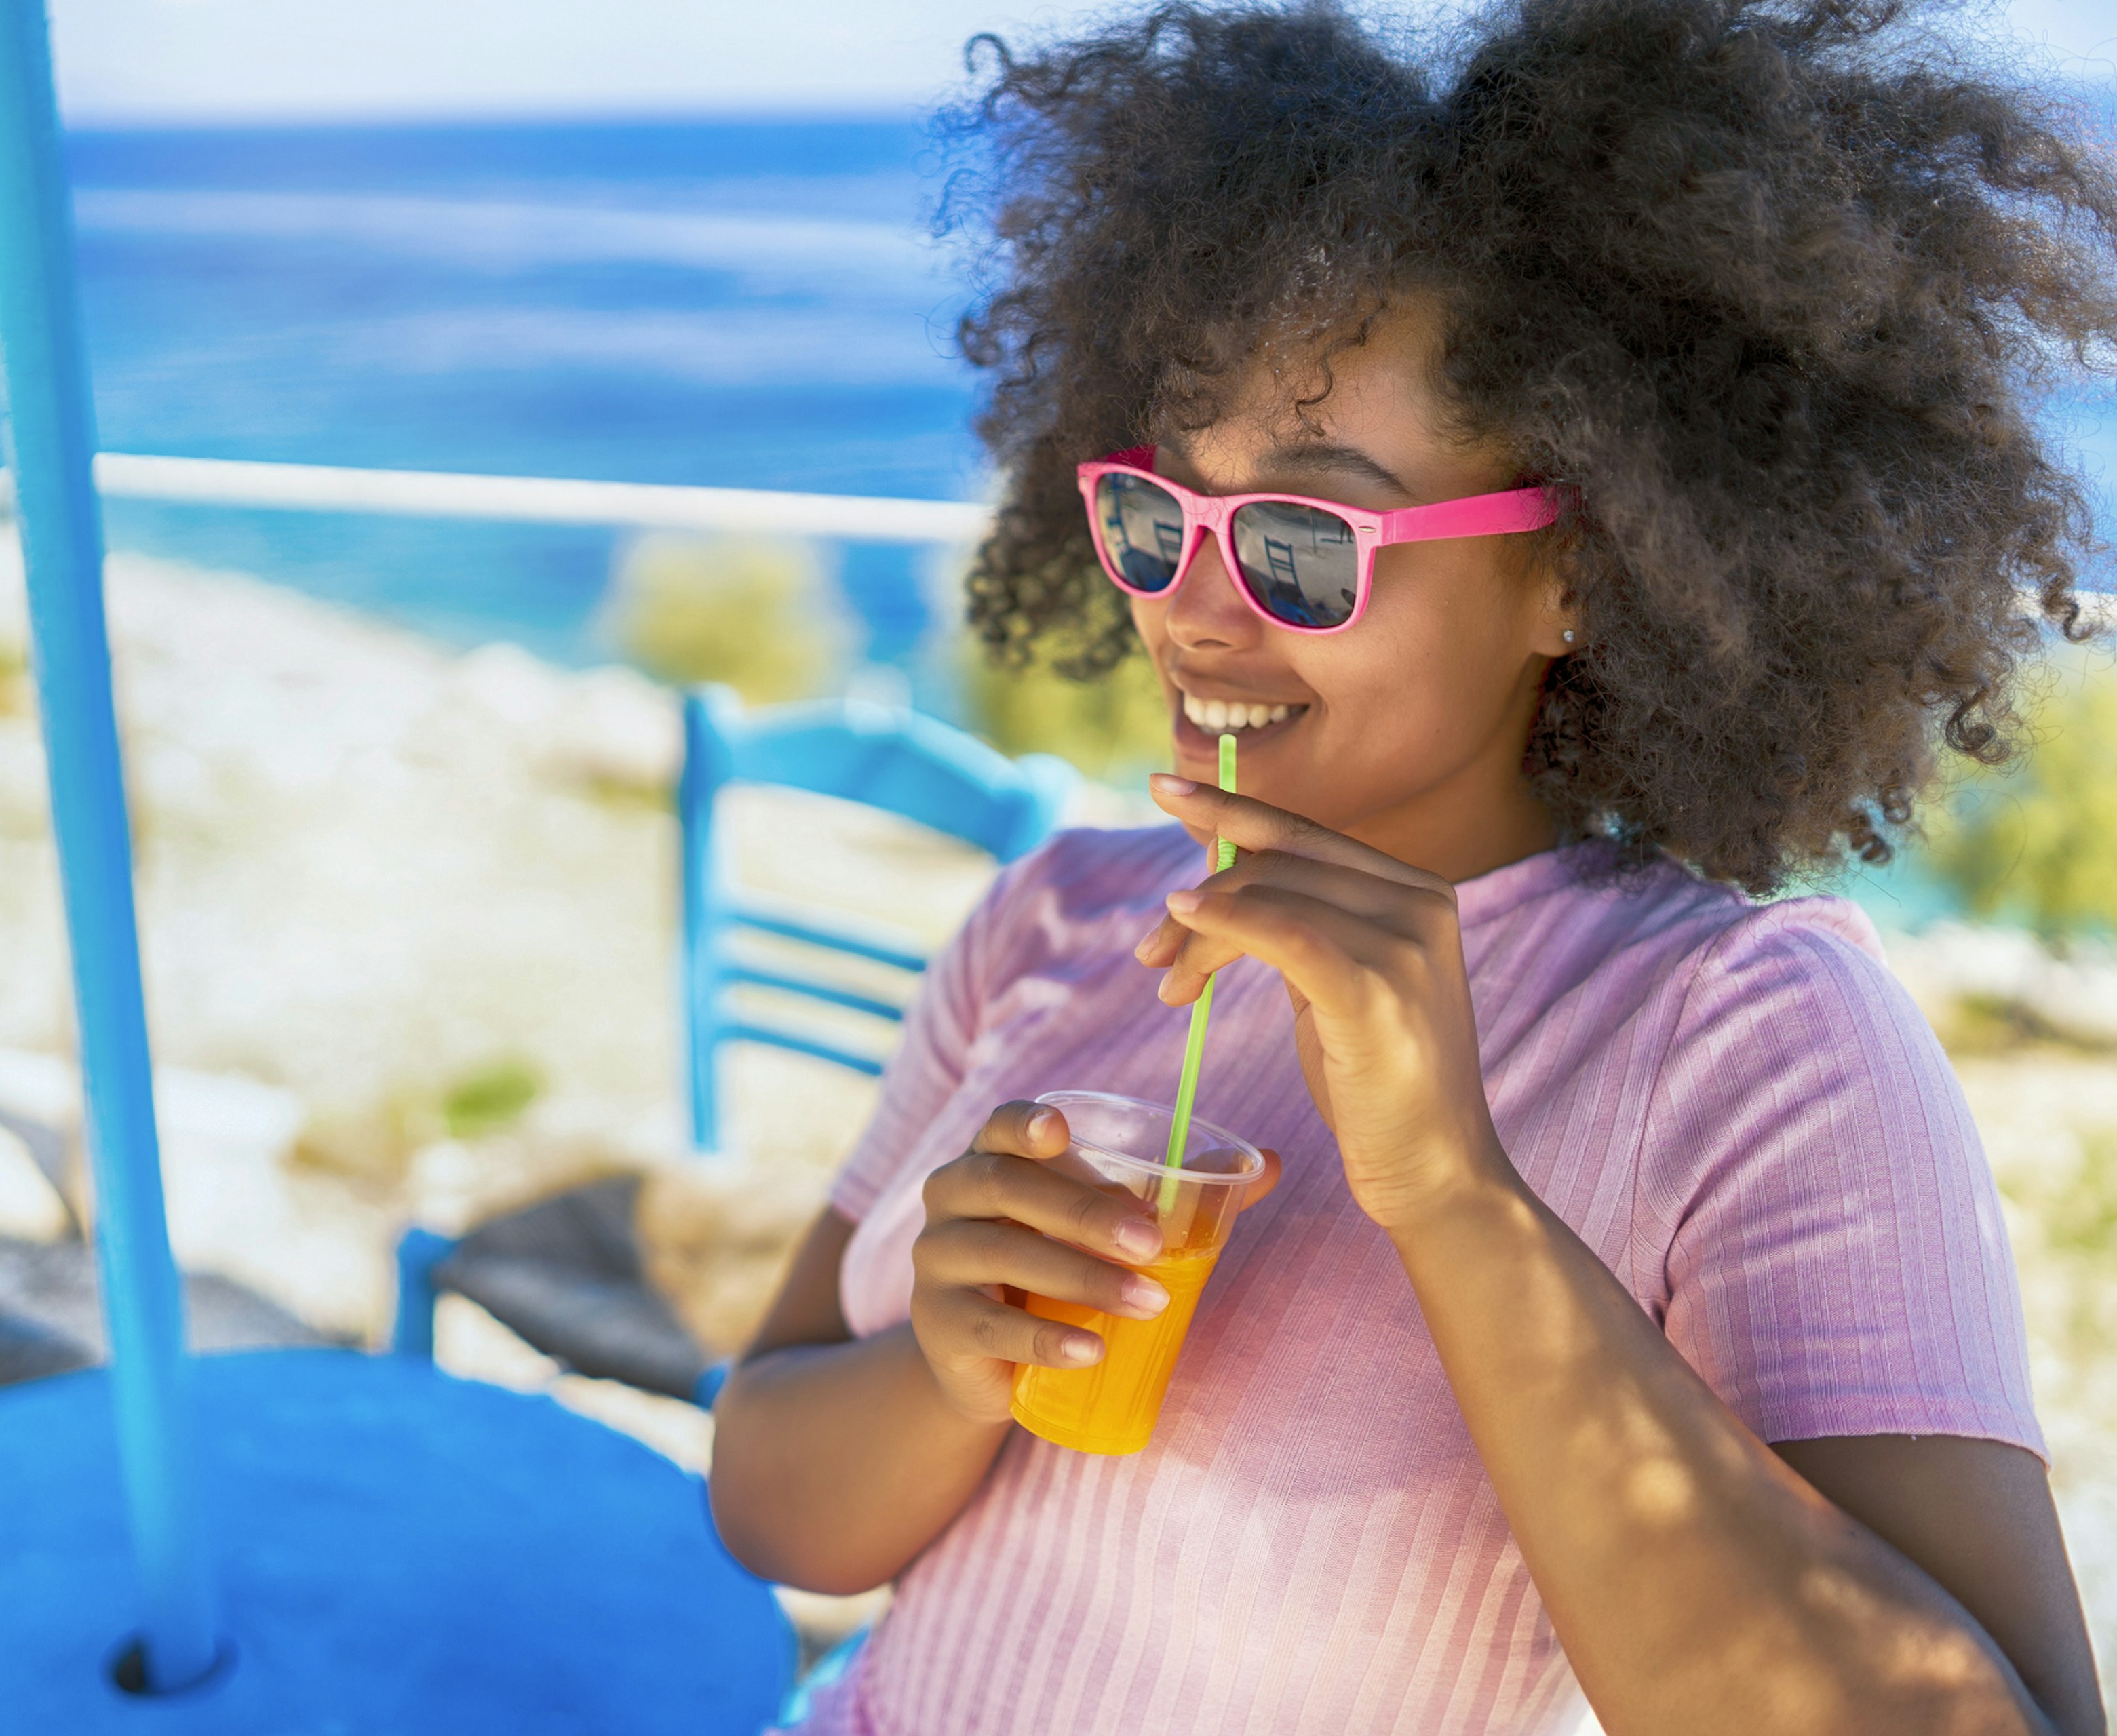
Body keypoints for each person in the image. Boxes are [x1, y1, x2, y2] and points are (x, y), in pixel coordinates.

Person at [704, 1, 2117, 1731]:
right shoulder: (1055, 916)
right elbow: (770, 1508)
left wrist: (1457, 1192)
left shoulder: (1743, 1038)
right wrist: (946, 1364)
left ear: (1584, 572)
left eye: (1305, 539)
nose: (1192, 607)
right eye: (1163, 512)